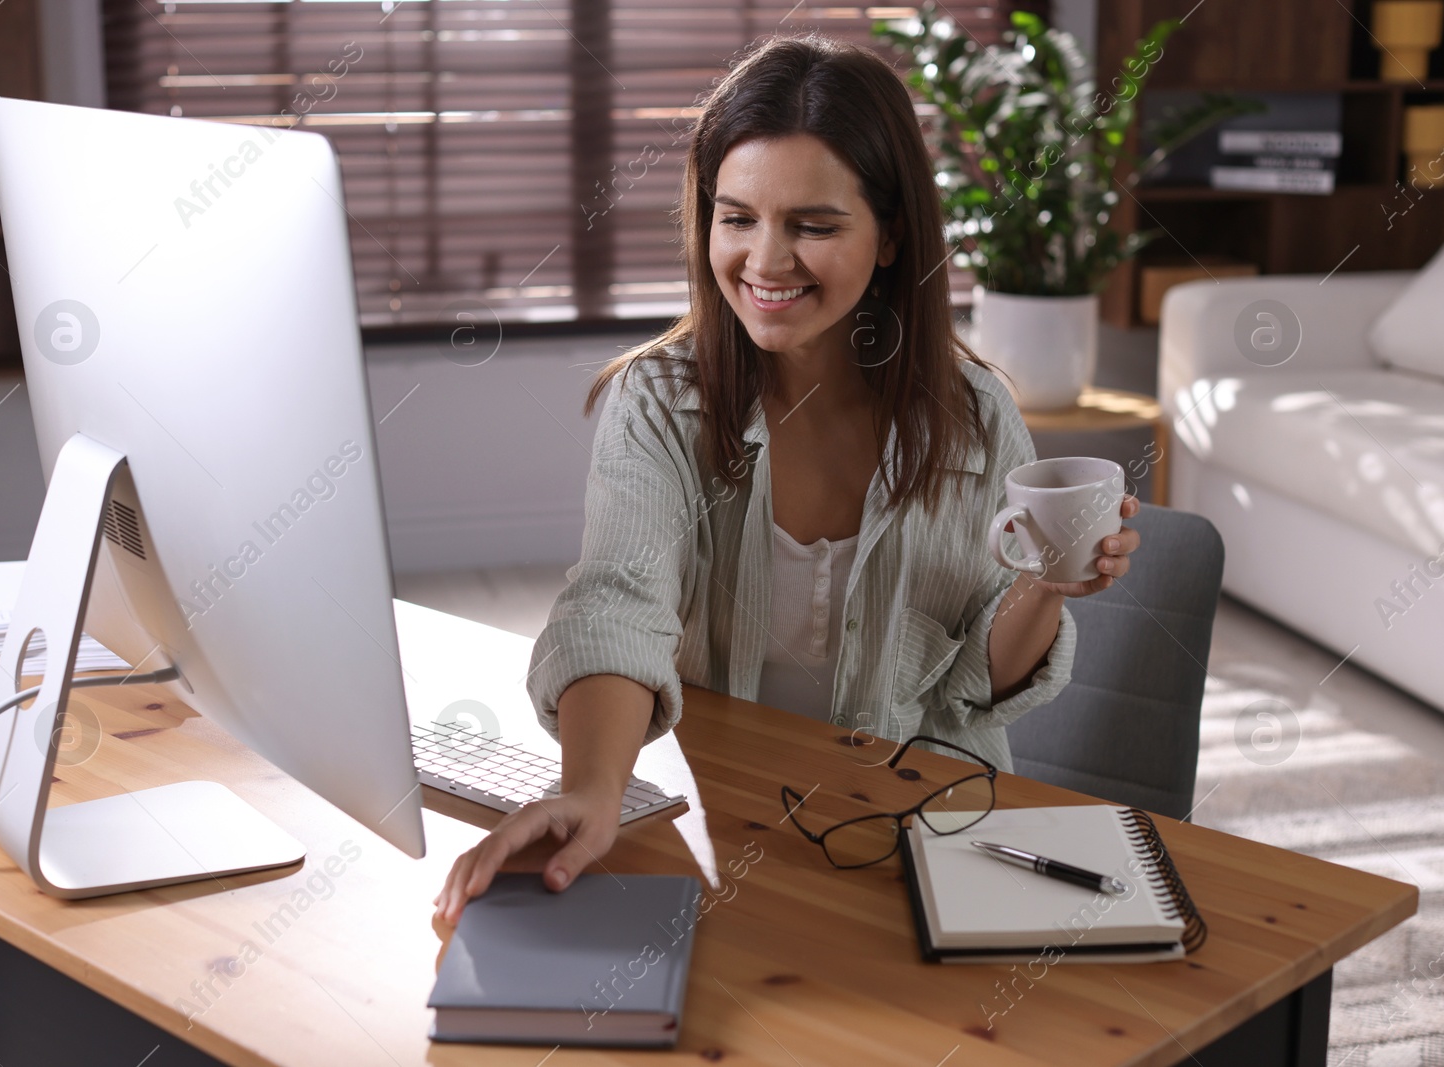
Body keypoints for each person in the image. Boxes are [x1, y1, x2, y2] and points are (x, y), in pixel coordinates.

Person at [434, 32, 1141, 924]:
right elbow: (619, 605)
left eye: (813, 225)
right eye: (738, 217)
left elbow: (975, 682)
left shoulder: (974, 414)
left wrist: (1044, 588)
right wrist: (592, 790)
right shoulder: (661, 402)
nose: (765, 262)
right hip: (726, 806)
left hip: (925, 827)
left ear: (889, 238)